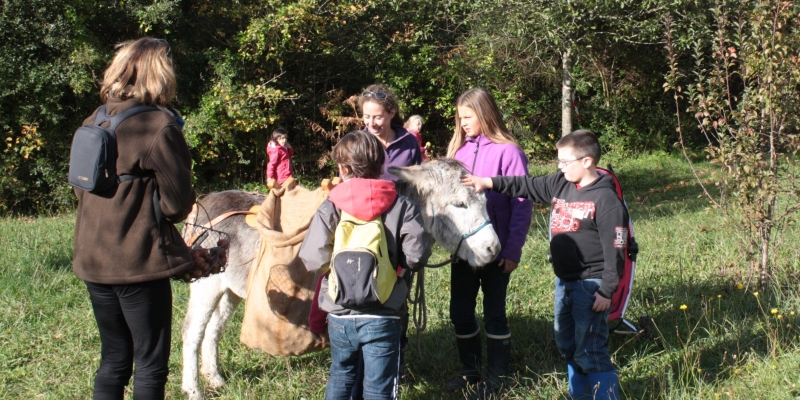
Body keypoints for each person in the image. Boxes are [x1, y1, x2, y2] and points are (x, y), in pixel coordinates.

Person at [72, 37, 197, 399]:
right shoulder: (159, 125)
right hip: (136, 263)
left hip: (92, 260)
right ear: (161, 73)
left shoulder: (95, 119)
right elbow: (176, 206)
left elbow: (81, 189)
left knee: (113, 359)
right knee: (151, 363)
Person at [463, 129, 625, 400]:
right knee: (567, 343)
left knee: (591, 349)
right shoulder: (560, 184)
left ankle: (604, 395)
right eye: (559, 163)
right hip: (566, 282)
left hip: (592, 285)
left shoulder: (606, 200)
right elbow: (524, 185)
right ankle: (579, 394)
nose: (560, 168)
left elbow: (617, 247)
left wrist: (607, 290)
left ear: (587, 161)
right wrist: (486, 182)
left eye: (565, 162)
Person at [308, 84, 423, 398]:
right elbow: (415, 255)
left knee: (341, 378)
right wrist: (396, 268)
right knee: (379, 385)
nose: (371, 122)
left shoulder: (332, 203)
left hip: (340, 309)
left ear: (343, 169)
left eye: (377, 116)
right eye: (366, 116)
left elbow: (313, 257)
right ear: (382, 166)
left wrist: (334, 270)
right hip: (384, 306)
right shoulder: (402, 205)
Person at [443, 88, 532, 398]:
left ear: (485, 114)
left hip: (496, 249)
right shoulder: (458, 152)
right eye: (460, 118)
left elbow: (522, 202)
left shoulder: (509, 152)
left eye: (468, 117)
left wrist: (513, 249)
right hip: (464, 252)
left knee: (495, 311)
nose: (463, 123)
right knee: (460, 312)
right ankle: (470, 371)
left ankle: (497, 374)